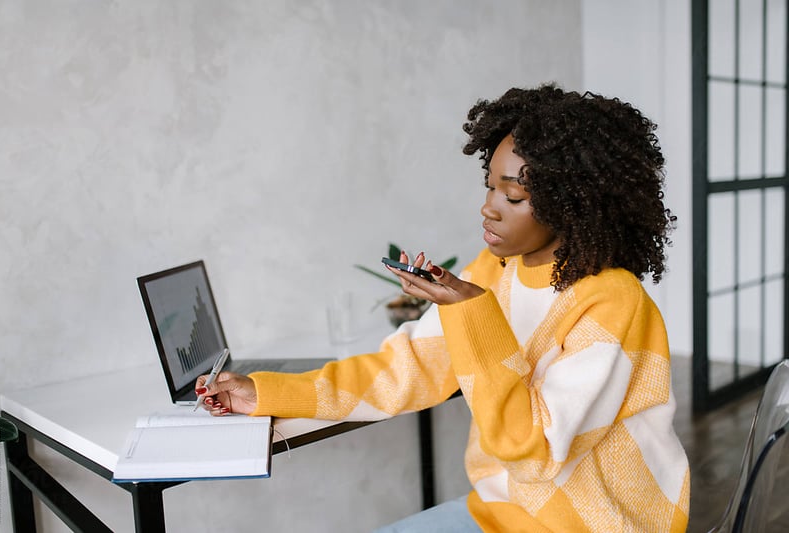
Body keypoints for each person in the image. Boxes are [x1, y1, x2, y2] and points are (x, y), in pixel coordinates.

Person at [195, 83, 690, 532]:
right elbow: (402, 371)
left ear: (575, 204)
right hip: (500, 515)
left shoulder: (613, 302)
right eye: (490, 185)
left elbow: (533, 452)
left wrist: (473, 313)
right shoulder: (495, 271)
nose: (489, 207)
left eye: (513, 195)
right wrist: (264, 394)